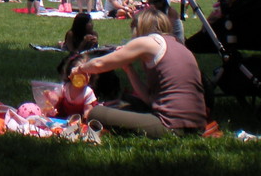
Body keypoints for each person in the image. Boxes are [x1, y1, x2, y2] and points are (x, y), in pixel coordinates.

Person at [69, 8, 207, 138]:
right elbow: (149, 98)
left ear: (139, 27)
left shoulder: (148, 42)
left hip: (171, 126)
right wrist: (128, 68)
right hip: (197, 124)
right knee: (128, 100)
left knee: (96, 113)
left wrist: (80, 69)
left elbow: (100, 64)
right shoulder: (178, 45)